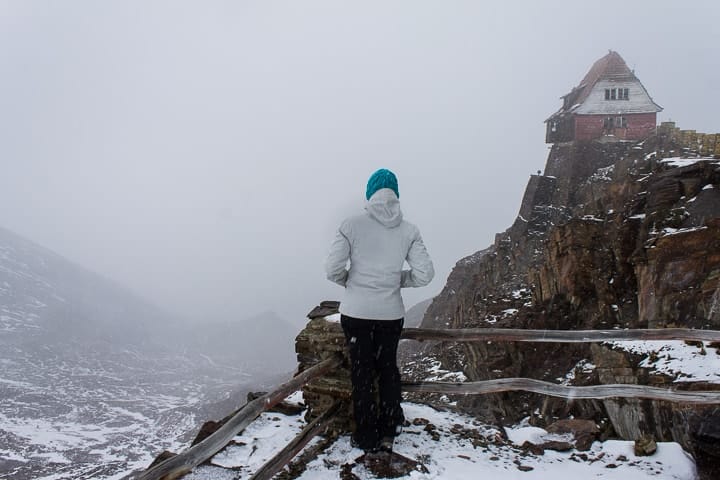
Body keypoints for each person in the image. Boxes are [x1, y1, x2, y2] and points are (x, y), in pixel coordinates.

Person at [325, 168, 434, 453]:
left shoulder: (351, 225)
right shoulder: (408, 230)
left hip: (356, 314)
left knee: (361, 373)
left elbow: (332, 269)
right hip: (390, 315)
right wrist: (398, 279)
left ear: (369, 192)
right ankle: (390, 425)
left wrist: (351, 281)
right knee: (387, 369)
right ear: (395, 194)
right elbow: (425, 275)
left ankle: (366, 435)